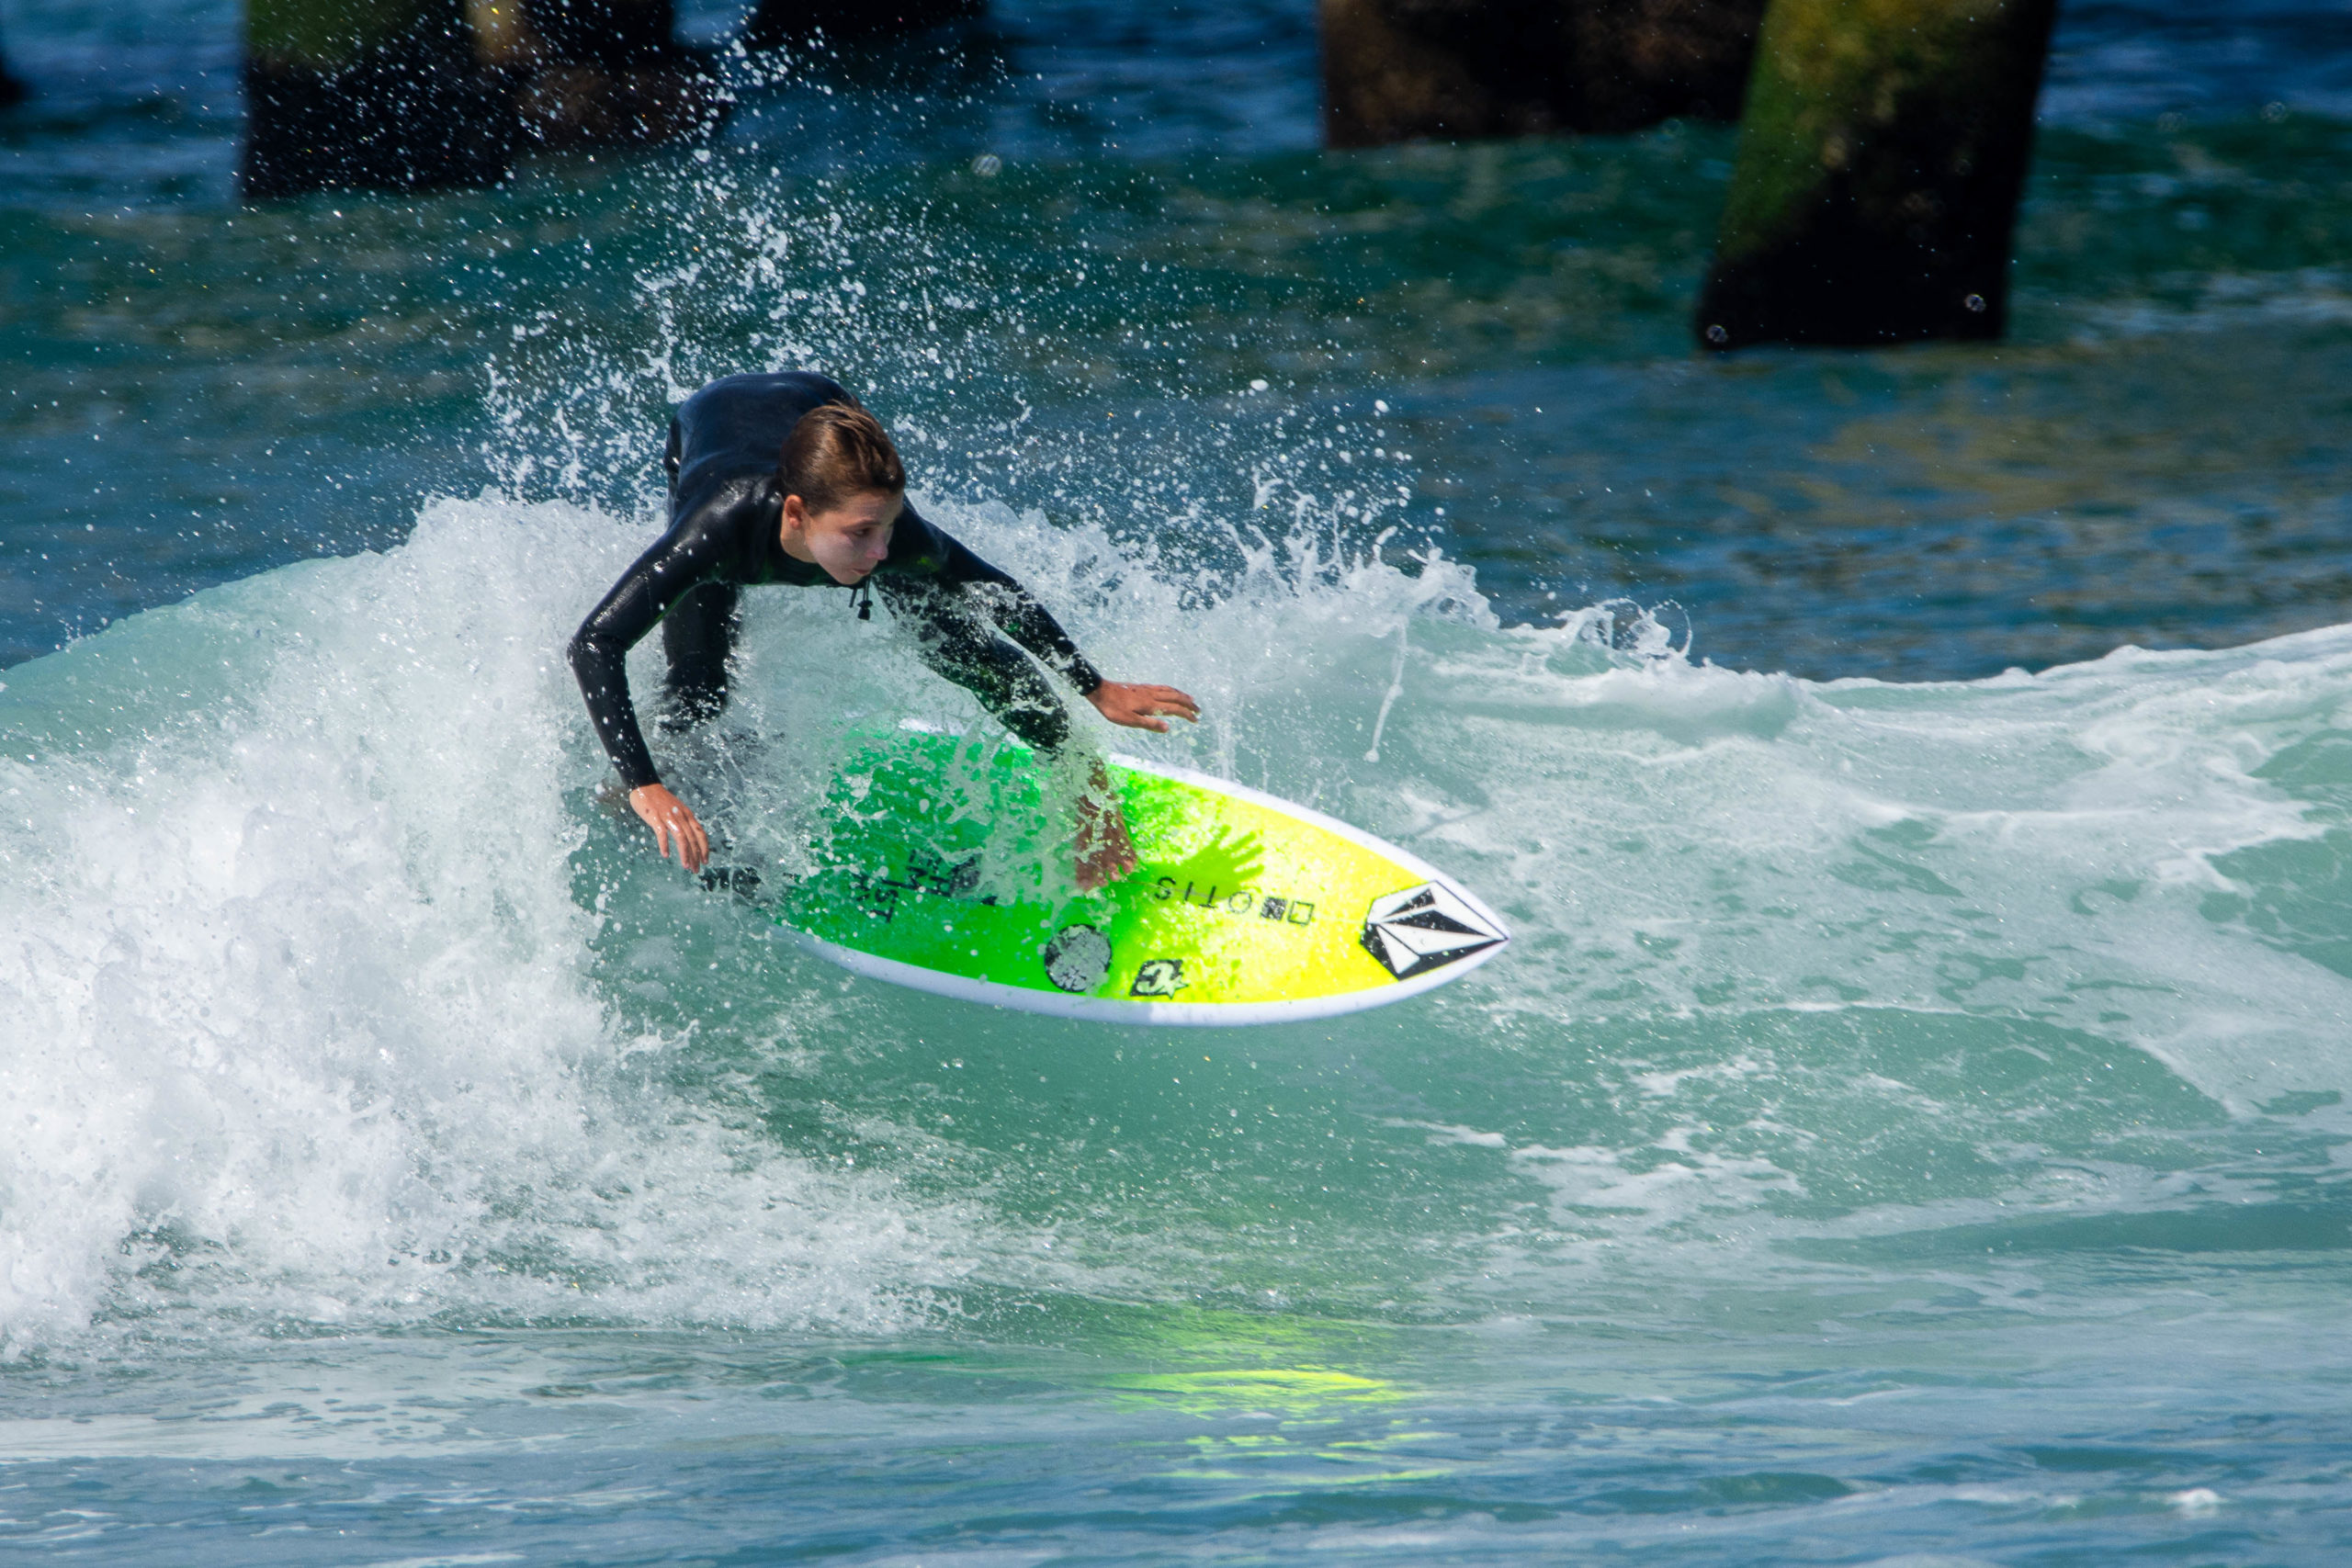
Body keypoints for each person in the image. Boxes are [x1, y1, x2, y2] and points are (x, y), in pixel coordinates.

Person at [568, 370, 1199, 888]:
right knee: (696, 689)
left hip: (821, 404)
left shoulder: (881, 532)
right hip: (704, 426)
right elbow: (595, 643)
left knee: (959, 644)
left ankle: (1085, 782)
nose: (879, 552)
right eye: (861, 534)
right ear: (796, 513)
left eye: (886, 528)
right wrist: (645, 783)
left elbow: (988, 589)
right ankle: (635, 796)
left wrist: (1094, 687)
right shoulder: (715, 531)